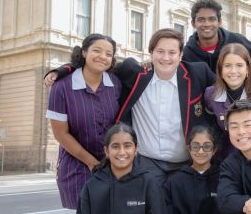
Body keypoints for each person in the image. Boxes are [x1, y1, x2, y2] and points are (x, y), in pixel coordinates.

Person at [45, 28, 216, 186]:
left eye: (172, 53)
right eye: (160, 52)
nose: (166, 58)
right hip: (147, 165)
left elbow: (224, 86)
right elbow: (97, 64)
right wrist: (62, 71)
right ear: (151, 53)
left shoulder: (198, 73)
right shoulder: (134, 73)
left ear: (180, 55)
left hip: (186, 163)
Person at [45, 33, 121, 214]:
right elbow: (61, 134)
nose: (102, 57)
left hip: (112, 164)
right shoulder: (62, 87)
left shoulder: (115, 83)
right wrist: (92, 163)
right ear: (85, 52)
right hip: (77, 163)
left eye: (108, 53)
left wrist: (109, 161)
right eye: (97, 50)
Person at [74, 123, 170, 214]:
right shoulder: (92, 187)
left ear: (136, 149)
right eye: (115, 146)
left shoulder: (149, 184)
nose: (122, 152)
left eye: (127, 146)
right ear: (106, 151)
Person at [204, 43, 251, 159]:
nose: (233, 71)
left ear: (248, 68)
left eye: (239, 65)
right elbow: (213, 132)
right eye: (227, 66)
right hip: (227, 160)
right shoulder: (210, 94)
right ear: (220, 69)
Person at [164, 126, 231, 214]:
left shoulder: (224, 179)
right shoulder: (174, 182)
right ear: (189, 149)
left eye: (206, 146)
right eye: (195, 146)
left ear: (214, 149)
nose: (200, 151)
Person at [183, 0, 251, 72]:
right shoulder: (186, 54)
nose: (207, 24)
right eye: (201, 20)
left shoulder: (238, 41)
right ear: (193, 24)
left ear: (219, 22)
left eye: (212, 19)